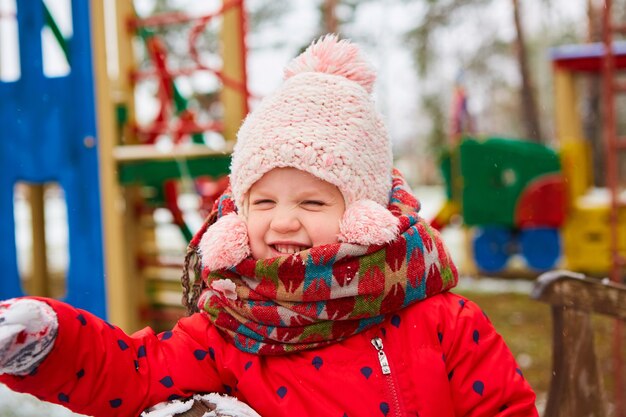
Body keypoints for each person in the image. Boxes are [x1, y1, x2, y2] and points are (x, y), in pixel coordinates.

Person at [0, 35, 538, 417]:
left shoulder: (442, 321)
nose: (284, 221)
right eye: (262, 201)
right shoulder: (233, 326)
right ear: (237, 213)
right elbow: (135, 375)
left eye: (311, 201)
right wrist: (51, 344)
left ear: (365, 214)